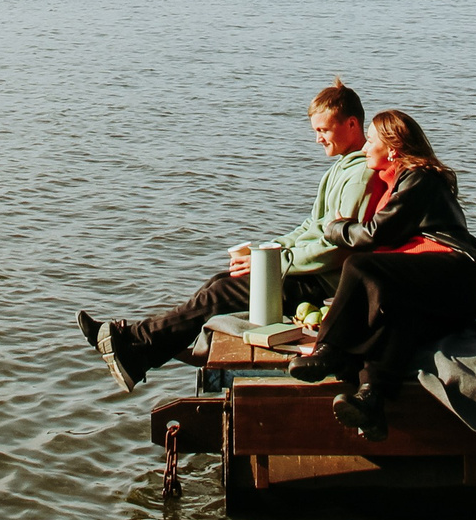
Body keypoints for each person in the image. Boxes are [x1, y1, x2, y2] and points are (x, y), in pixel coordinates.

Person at [79, 81, 372, 393]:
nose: (318, 139)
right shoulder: (342, 169)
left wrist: (276, 264)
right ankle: (136, 349)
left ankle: (136, 345)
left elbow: (335, 249)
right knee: (219, 283)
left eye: (324, 130)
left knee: (220, 293)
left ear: (352, 124)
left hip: (324, 283)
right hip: (309, 271)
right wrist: (265, 253)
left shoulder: (359, 176)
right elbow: (310, 228)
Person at [288, 108, 476, 441]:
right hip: (447, 295)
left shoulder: (419, 178)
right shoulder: (399, 182)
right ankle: (372, 399)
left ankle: (329, 349)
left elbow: (372, 235)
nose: (365, 148)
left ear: (393, 149)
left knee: (359, 265)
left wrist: (336, 227)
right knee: (397, 317)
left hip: (456, 276)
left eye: (370, 141)